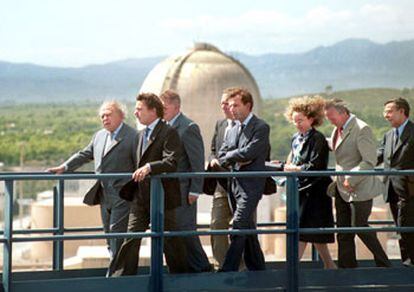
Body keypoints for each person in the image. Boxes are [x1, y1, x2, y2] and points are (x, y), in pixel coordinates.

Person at [46, 101, 138, 264]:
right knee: (109, 236)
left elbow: (140, 164)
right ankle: (117, 267)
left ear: (121, 115)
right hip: (104, 195)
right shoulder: (99, 136)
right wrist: (64, 167)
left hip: (124, 196)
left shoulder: (133, 136)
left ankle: (117, 275)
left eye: (108, 114)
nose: (104, 118)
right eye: (102, 115)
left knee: (117, 234)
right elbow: (84, 155)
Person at [108, 93, 188, 276]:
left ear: (153, 111)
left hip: (162, 198)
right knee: (131, 238)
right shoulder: (140, 135)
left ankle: (182, 279)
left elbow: (171, 162)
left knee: (170, 241)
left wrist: (150, 167)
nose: (135, 113)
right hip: (141, 197)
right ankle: (123, 279)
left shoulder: (169, 133)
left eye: (139, 109)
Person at [324, 98, 391, 268]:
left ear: (344, 113)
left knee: (360, 226)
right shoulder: (337, 129)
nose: (329, 120)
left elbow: (369, 161)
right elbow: (339, 148)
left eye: (331, 117)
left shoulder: (362, 129)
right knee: (343, 232)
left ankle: (384, 264)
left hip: (359, 188)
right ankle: (347, 269)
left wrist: (350, 178)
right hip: (341, 189)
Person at [212, 87, 268, 272]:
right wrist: (238, 159)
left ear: (248, 105)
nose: (232, 109)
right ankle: (258, 268)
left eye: (236, 105)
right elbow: (221, 154)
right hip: (234, 184)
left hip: (251, 186)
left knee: (237, 226)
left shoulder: (260, 127)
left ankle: (228, 269)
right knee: (247, 229)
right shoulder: (233, 128)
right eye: (230, 105)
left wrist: (233, 156)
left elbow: (251, 151)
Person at [160, 89, 211, 273]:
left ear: (177, 107)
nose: (162, 110)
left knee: (186, 232)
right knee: (169, 234)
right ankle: (178, 271)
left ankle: (203, 269)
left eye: (165, 107)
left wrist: (195, 190)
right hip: (166, 191)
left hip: (183, 190)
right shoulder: (162, 127)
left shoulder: (188, 127)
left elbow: (197, 161)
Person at [283, 95, 336, 269]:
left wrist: (295, 169)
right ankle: (329, 266)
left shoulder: (317, 139)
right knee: (311, 232)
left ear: (311, 119)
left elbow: (316, 165)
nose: (297, 123)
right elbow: (293, 159)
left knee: (305, 231)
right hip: (301, 190)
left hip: (315, 192)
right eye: (295, 120)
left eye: (301, 120)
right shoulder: (295, 138)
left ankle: (292, 269)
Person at [377, 97, 414, 266]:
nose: (386, 115)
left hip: (410, 190)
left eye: (390, 111)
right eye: (385, 112)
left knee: (407, 226)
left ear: (402, 111)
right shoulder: (388, 135)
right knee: (401, 228)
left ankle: (410, 263)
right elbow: (378, 156)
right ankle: (407, 263)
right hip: (391, 190)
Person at [207, 89, 237, 270]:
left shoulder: (248, 126)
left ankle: (240, 267)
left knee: (241, 228)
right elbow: (212, 149)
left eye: (228, 103)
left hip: (241, 184)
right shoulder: (220, 125)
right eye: (222, 103)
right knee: (217, 224)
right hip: (221, 184)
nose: (224, 107)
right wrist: (212, 160)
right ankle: (222, 265)